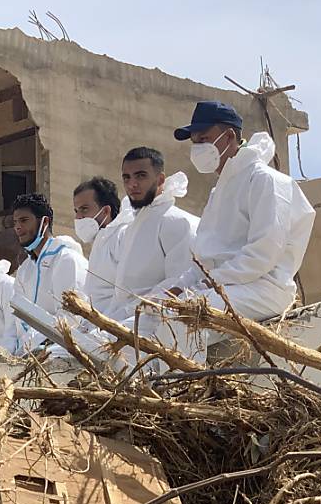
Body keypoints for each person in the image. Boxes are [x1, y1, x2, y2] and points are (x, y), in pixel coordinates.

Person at [159, 100, 316, 362]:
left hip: (265, 287)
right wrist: (178, 287)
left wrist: (210, 283)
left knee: (184, 317)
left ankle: (184, 385)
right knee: (156, 313)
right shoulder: (218, 192)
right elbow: (204, 258)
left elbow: (262, 254)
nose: (198, 148)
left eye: (204, 139)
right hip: (225, 287)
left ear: (229, 136)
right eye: (195, 141)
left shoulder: (266, 180)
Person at [106, 147, 199, 322]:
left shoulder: (176, 221)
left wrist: (132, 311)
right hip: (123, 318)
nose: (132, 184)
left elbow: (180, 282)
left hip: (155, 320)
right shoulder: (133, 227)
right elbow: (122, 294)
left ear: (160, 179)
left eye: (140, 176)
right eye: (127, 177)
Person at [11, 193, 88, 354]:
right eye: (15, 222)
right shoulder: (24, 270)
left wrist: (38, 346)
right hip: (30, 351)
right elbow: (19, 321)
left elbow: (71, 318)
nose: (17, 227)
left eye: (24, 220)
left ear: (44, 222)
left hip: (64, 351)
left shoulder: (68, 259)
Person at [72, 176, 133, 316]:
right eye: (76, 211)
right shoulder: (101, 240)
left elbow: (126, 294)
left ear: (106, 211)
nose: (78, 217)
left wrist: (105, 327)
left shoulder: (122, 236)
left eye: (84, 209)